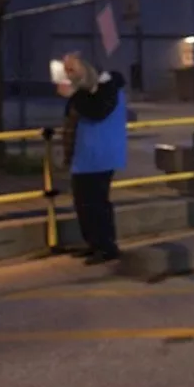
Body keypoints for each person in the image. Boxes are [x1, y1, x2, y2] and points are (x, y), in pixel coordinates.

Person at [58, 53, 127, 265]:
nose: (69, 75)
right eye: (67, 70)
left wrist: (74, 95)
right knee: (83, 203)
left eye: (72, 70)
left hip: (100, 156)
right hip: (85, 156)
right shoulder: (86, 91)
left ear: (86, 68)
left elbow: (97, 111)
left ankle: (106, 246)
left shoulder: (108, 88)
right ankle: (94, 244)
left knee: (97, 203)